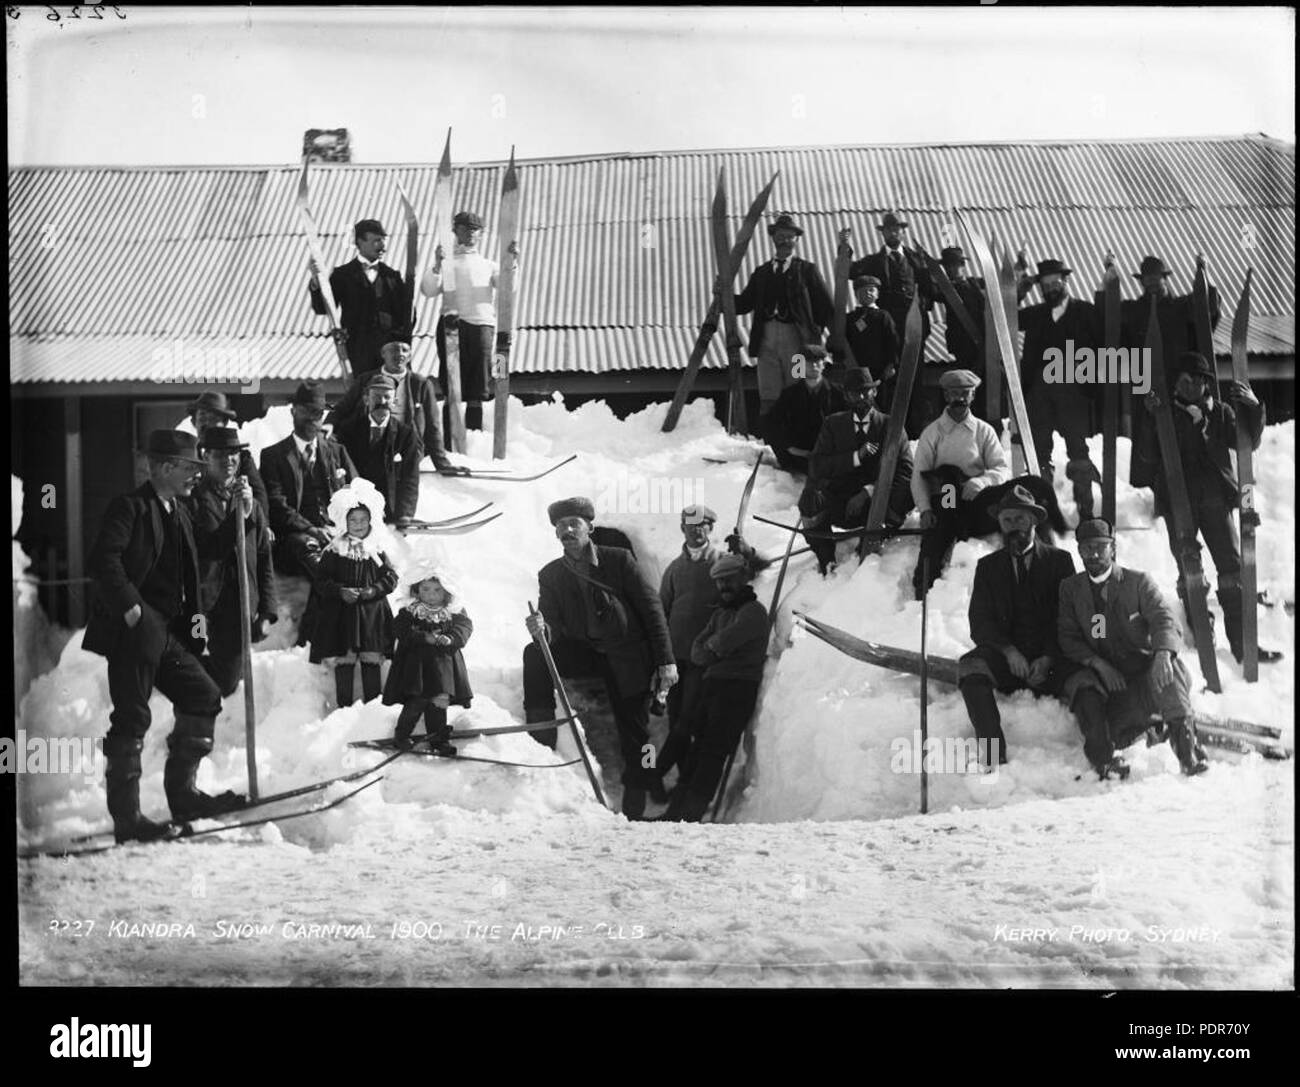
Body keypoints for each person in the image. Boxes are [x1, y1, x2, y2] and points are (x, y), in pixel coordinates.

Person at [83, 431, 244, 842]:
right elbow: (103, 559)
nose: (196, 476)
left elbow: (207, 549)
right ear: (167, 467)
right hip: (133, 635)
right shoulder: (130, 507)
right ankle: (128, 821)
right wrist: (132, 609)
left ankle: (184, 798)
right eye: (191, 468)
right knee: (132, 719)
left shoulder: (180, 509)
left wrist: (237, 516)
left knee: (203, 695)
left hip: (167, 634)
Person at [522, 497, 677, 820]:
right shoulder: (551, 574)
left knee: (639, 734)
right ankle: (542, 733)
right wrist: (541, 629)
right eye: (561, 525)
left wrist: (665, 661)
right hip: (587, 652)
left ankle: (642, 788)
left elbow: (651, 609)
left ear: (589, 527)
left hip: (627, 653)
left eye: (574, 523)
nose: (567, 530)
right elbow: (551, 626)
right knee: (533, 653)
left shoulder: (618, 560)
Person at [1147, 352, 1281, 666]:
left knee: (1232, 570)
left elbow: (1248, 442)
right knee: (1189, 568)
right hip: (1179, 501)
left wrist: (1253, 407)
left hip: (1215, 499)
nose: (1190, 387)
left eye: (1196, 381)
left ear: (1206, 384)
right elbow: (1147, 456)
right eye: (1184, 381)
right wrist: (1152, 416)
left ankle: (1244, 645)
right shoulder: (1165, 414)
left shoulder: (1220, 412)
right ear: (1175, 384)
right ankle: (1201, 634)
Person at [1058, 518, 1209, 777]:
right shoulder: (1071, 589)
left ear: (1113, 548)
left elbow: (1164, 620)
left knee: (1169, 668)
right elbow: (1068, 637)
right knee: (1093, 705)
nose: (1094, 554)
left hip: (1145, 677)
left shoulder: (1137, 583)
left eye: (1100, 546)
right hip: (1110, 689)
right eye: (1086, 548)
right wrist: (1098, 665)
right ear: (1079, 551)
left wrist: (1162, 654)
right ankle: (1110, 757)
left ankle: (1187, 753)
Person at [957, 486, 1088, 768]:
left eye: (1020, 518)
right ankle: (994, 756)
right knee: (970, 668)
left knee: (1088, 681)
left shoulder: (1059, 562)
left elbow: (1069, 619)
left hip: (1051, 662)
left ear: (1034, 521)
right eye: (1007, 520)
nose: (1013, 526)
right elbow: (980, 622)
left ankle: (1098, 756)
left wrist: (1048, 657)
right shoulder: (988, 567)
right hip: (1008, 662)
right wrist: (1008, 652)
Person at [655, 504, 758, 800]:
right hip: (676, 658)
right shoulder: (674, 569)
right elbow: (661, 611)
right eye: (690, 526)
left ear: (711, 529)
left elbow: (755, 570)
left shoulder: (724, 562)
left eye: (702, 526)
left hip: (704, 658)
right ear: (682, 529)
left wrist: (746, 550)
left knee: (690, 722)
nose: (695, 531)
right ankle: (681, 783)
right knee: (677, 719)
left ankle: (657, 777)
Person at [658, 554, 769, 822]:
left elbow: (720, 643)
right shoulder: (720, 613)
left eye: (729, 580)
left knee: (712, 753)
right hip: (713, 685)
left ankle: (691, 815)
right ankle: (674, 814)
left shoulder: (753, 612)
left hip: (736, 689)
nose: (724, 586)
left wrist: (714, 648)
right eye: (719, 582)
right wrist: (714, 648)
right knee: (696, 749)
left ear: (743, 579)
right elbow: (698, 652)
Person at [1108, 254, 1219, 492]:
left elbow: (1207, 310)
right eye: (1147, 279)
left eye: (1156, 278)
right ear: (1141, 282)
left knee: (1184, 442)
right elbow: (1109, 318)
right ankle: (1152, 496)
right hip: (1147, 388)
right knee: (1149, 444)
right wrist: (1109, 272)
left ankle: (1186, 493)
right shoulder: (1133, 311)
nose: (1151, 283)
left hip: (1180, 388)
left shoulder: (1182, 307)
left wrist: (1204, 274)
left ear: (1165, 278)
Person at [188, 427, 277, 697]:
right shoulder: (193, 500)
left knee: (228, 678)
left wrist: (267, 610)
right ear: (206, 457)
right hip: (205, 607)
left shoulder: (251, 504)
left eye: (234, 454)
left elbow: (263, 559)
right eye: (220, 455)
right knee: (203, 665)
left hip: (240, 606)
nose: (228, 460)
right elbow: (209, 549)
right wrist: (242, 516)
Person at [798, 367, 915, 574]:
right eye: (854, 393)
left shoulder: (891, 425)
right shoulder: (833, 424)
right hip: (842, 502)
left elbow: (905, 470)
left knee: (905, 490)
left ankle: (872, 543)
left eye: (865, 392)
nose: (860, 398)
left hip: (879, 503)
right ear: (846, 396)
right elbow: (818, 465)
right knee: (810, 498)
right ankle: (826, 561)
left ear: (874, 392)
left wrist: (869, 491)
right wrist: (855, 457)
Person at [420, 210, 520, 437]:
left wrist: (512, 261)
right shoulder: (447, 263)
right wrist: (437, 265)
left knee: (478, 385)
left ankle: (474, 437)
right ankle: (449, 441)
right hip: (451, 326)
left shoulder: (489, 265)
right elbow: (428, 290)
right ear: (455, 231)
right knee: (452, 385)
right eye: (465, 229)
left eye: (475, 230)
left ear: (481, 234)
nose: (470, 234)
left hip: (481, 326)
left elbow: (508, 287)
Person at [1018, 258, 1102, 518]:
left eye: (1055, 283)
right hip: (1039, 397)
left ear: (1066, 281)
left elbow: (1103, 347)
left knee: (1079, 453)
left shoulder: (1086, 312)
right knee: (1039, 455)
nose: (1051, 289)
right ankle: (1042, 512)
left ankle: (1086, 514)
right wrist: (1021, 288)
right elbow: (1004, 316)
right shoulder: (1035, 315)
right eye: (1045, 285)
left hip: (1073, 396)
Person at [301, 485, 399, 707]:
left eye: (363, 520)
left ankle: (373, 706)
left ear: (371, 520)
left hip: (372, 616)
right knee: (345, 660)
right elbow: (321, 581)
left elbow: (392, 577)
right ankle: (343, 706)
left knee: (371, 659)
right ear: (344, 522)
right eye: (353, 520)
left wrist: (374, 589)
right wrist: (339, 591)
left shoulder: (375, 549)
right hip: (343, 615)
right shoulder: (335, 550)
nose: (358, 525)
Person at [732, 212, 835, 422]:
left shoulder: (807, 270)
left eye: (790, 236)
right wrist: (723, 294)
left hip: (796, 343)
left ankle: (799, 434)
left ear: (796, 240)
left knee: (797, 385)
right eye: (780, 236)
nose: (785, 240)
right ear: (773, 238)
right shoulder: (761, 273)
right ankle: (771, 435)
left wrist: (812, 332)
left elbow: (826, 306)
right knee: (769, 391)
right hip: (766, 341)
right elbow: (744, 304)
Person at [260, 382, 358, 577]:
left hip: (337, 531)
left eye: (318, 413)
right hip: (296, 537)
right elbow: (278, 505)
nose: (312, 418)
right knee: (310, 549)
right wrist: (312, 529)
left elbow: (356, 492)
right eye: (306, 411)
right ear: (293, 411)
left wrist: (343, 528)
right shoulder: (273, 456)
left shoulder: (337, 452)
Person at [327, 340, 460, 474]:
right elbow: (342, 408)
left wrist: (441, 463)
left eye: (405, 350)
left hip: (405, 451)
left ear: (409, 356)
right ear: (383, 354)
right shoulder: (365, 380)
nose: (400, 354)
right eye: (394, 350)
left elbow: (432, 425)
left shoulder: (421, 384)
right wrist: (328, 424)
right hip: (367, 445)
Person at [383, 570, 473, 755]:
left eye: (437, 590)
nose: (431, 595)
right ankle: (402, 736)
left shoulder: (453, 610)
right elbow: (399, 628)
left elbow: (465, 626)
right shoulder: (411, 610)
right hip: (417, 667)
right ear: (417, 589)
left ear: (447, 591)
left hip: (443, 666)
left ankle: (438, 739)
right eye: (426, 589)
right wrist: (423, 637)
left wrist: (451, 638)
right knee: (416, 701)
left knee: (438, 702)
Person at [308, 218, 410, 375]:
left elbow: (406, 316)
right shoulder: (342, 275)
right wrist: (317, 282)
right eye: (376, 241)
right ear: (360, 242)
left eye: (383, 240)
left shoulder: (393, 277)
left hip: (389, 355)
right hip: (357, 352)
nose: (382, 246)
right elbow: (323, 308)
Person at [331, 371, 421, 526]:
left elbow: (410, 477)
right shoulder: (348, 430)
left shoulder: (406, 435)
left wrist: (404, 514)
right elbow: (342, 473)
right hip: (357, 509)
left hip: (391, 511)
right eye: (377, 396)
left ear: (395, 401)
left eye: (387, 397)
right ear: (366, 399)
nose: (382, 401)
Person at [845, 212, 933, 346]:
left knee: (916, 357)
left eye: (896, 229)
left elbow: (929, 287)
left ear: (903, 232)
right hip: (888, 324)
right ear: (883, 233)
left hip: (915, 322)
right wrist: (844, 247)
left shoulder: (917, 259)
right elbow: (849, 271)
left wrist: (922, 305)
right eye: (888, 230)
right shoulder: (873, 262)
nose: (893, 233)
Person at [764, 344, 848, 473]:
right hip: (798, 459)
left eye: (817, 362)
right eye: (808, 363)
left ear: (824, 364)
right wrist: (790, 447)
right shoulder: (789, 395)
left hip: (831, 459)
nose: (813, 366)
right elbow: (770, 425)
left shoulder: (839, 394)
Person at [185, 390, 268, 520]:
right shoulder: (186, 460)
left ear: (224, 423)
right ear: (193, 422)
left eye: (214, 419)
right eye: (202, 418)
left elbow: (259, 497)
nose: (207, 424)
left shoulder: (242, 458)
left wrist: (260, 523)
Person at [843, 275, 900, 403]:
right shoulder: (850, 318)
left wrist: (891, 364)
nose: (868, 293)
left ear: (877, 294)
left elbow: (893, 341)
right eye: (863, 291)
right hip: (856, 368)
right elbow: (845, 341)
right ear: (856, 294)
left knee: (880, 400)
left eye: (871, 290)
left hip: (879, 369)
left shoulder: (883, 316)